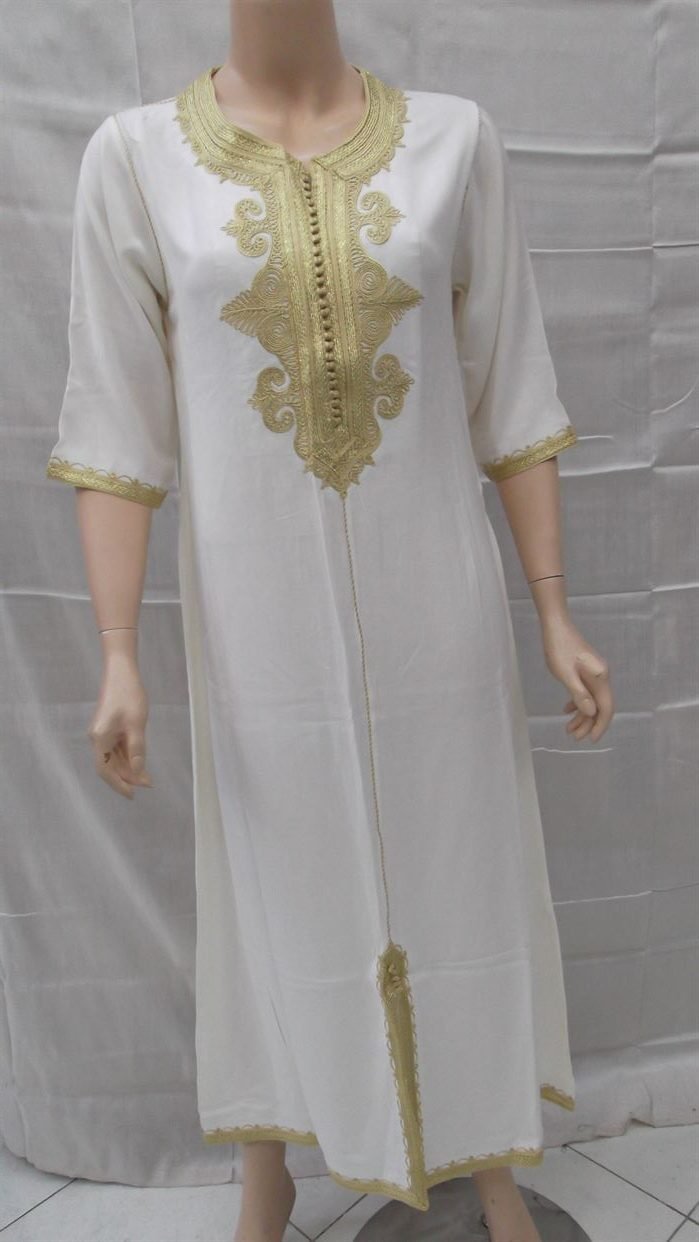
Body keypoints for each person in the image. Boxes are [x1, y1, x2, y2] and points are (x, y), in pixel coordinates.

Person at [45, 2, 614, 1240]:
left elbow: (511, 388)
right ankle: (270, 1178)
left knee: (461, 873)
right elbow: (115, 427)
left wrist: (554, 610)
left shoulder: (454, 142)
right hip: (256, 626)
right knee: (269, 890)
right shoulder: (135, 160)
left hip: (437, 605)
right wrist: (118, 654)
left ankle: (492, 1176)